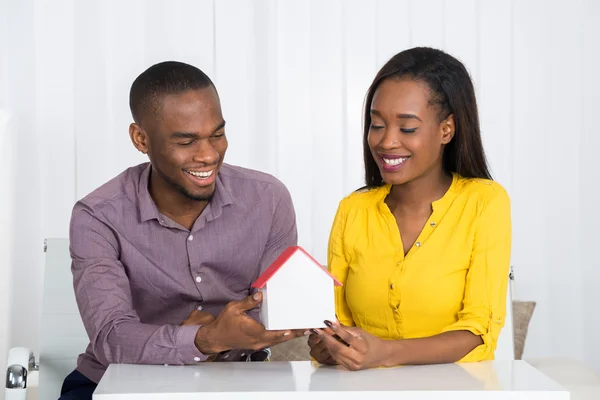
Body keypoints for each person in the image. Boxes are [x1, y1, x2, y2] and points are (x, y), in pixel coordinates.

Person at [60, 61, 302, 399]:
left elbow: (276, 311)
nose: (208, 155)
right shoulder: (98, 215)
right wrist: (206, 339)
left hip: (238, 378)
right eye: (186, 141)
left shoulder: (268, 198)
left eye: (217, 135)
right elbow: (112, 338)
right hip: (118, 382)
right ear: (141, 138)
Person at [308, 47, 511, 370]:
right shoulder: (353, 210)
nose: (387, 142)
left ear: (447, 129)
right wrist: (329, 346)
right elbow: (337, 323)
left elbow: (478, 330)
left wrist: (384, 352)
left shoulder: (484, 202)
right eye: (377, 125)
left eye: (407, 128)